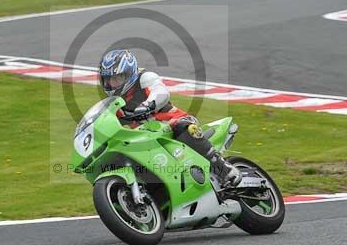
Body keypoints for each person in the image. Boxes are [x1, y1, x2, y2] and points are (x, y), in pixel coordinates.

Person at [98, 49, 242, 186]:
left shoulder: (145, 78)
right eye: (108, 80)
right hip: (147, 137)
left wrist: (149, 104)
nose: (111, 84)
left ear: (129, 73)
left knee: (186, 129)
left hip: (172, 123)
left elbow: (161, 91)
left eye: (117, 78)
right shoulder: (114, 103)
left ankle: (224, 169)